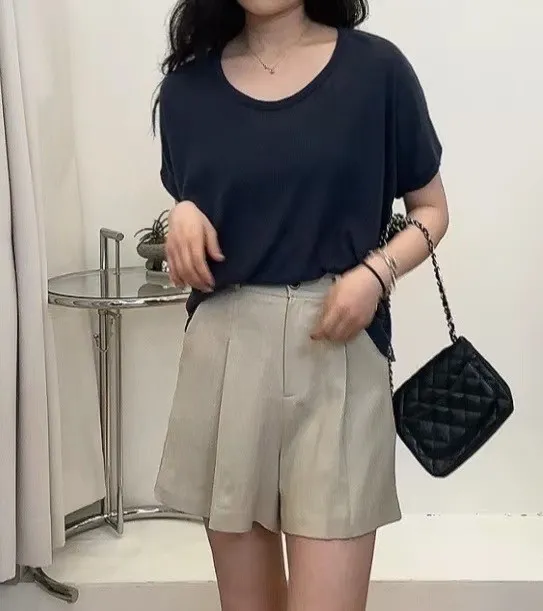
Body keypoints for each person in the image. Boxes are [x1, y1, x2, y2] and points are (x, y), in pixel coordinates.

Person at [153, 1, 449, 609]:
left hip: (338, 349)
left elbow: (432, 210)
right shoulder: (186, 91)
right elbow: (203, 203)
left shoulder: (377, 72)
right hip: (226, 354)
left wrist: (376, 274)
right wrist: (178, 214)